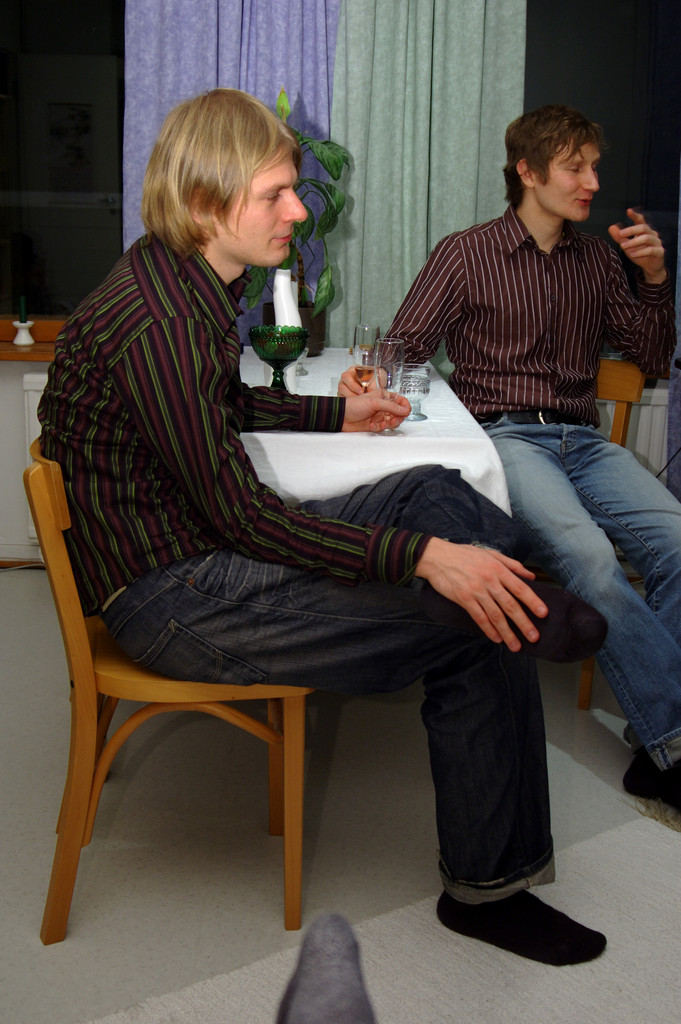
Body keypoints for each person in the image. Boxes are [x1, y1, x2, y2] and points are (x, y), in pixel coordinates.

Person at [38, 89, 607, 965]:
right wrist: (422, 561)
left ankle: (515, 588)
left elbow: (221, 405)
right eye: (274, 195)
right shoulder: (163, 321)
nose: (298, 211)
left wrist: (336, 417)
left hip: (192, 548)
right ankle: (488, 891)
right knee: (475, 623)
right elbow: (240, 515)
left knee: (426, 485)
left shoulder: (175, 278)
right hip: (175, 595)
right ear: (205, 204)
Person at [341, 103, 681, 811]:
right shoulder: (465, 254)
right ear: (527, 171)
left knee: (678, 544)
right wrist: (369, 379)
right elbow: (406, 345)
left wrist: (653, 278)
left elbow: (650, 358)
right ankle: (673, 746)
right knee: (589, 560)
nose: (591, 182)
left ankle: (658, 725)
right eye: (574, 167)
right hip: (504, 438)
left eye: (594, 167)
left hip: (583, 441)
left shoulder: (597, 260)